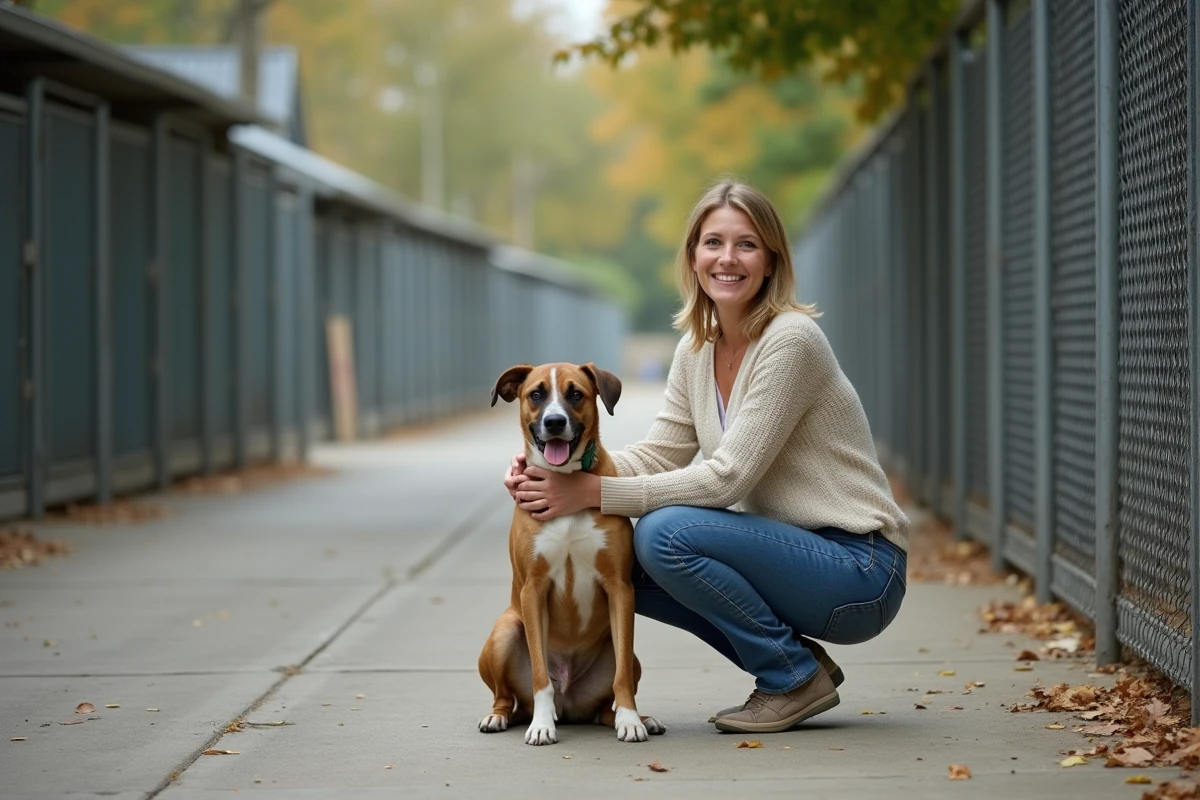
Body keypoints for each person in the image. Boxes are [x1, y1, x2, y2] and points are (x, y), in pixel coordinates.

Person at [503, 179, 908, 734]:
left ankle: (790, 676)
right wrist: (555, 473)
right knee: (626, 563)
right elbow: (660, 453)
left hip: (859, 569)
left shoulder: (791, 341)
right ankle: (795, 666)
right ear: (693, 257)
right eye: (713, 242)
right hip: (791, 556)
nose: (728, 258)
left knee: (662, 535)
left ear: (771, 261)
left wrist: (593, 491)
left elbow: (727, 479)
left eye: (747, 244)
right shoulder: (697, 348)